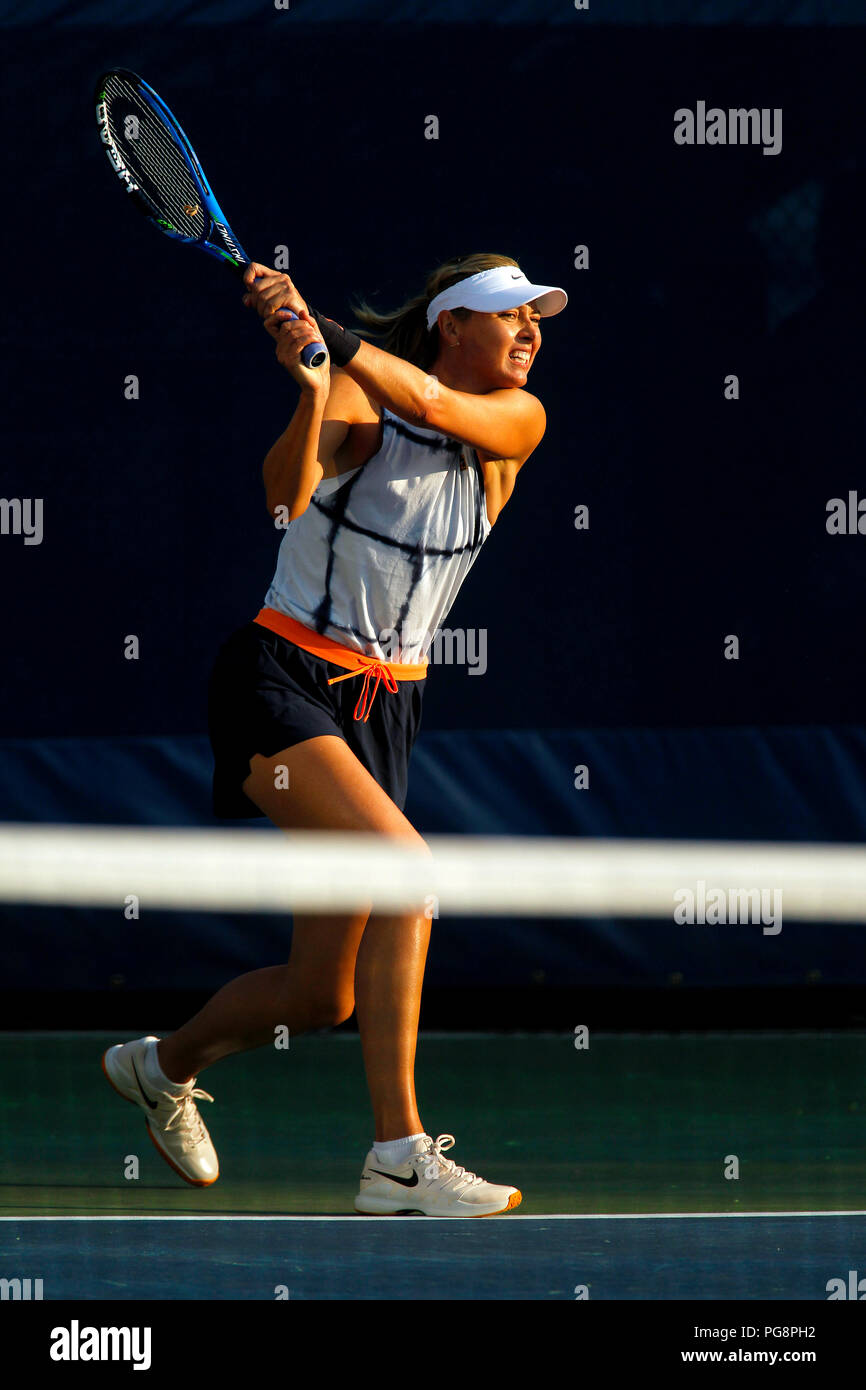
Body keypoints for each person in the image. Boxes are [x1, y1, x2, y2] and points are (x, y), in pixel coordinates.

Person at [102, 253, 566, 1216]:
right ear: (450, 325)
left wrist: (334, 334)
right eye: (507, 314)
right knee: (410, 876)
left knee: (325, 998)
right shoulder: (358, 393)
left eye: (536, 317)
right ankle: (398, 1156)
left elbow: (437, 408)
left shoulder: (517, 423)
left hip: (386, 710)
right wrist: (315, 388)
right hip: (280, 680)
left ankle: (160, 1066)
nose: (529, 330)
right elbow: (284, 495)